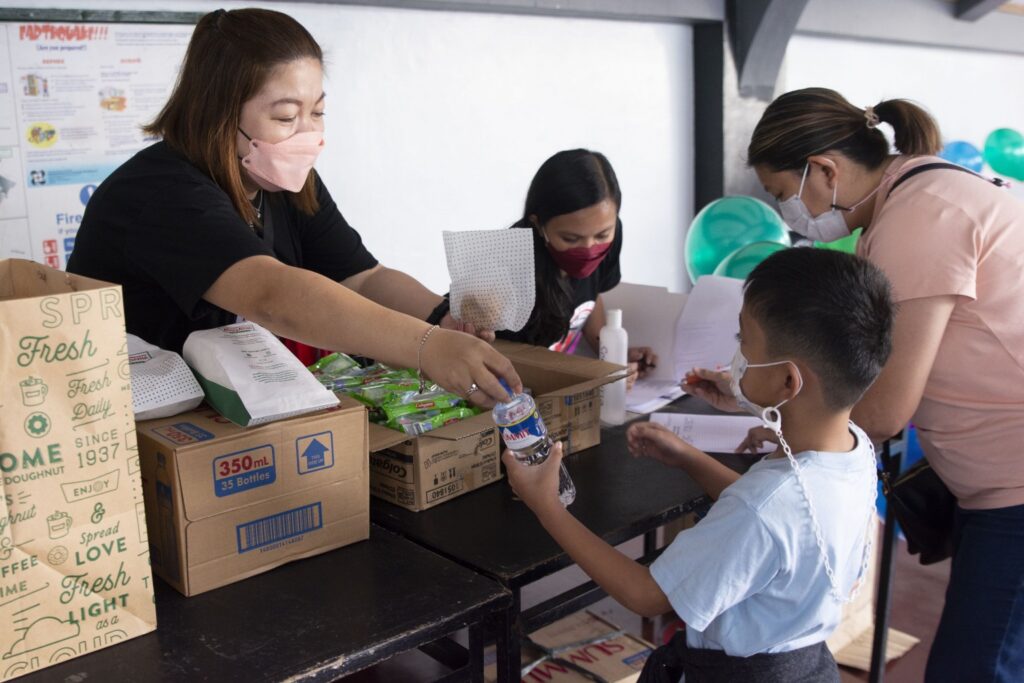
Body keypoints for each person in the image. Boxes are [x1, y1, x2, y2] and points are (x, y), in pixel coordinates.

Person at [686, 87, 1024, 682]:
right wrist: (752, 391)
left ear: (824, 170)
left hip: (1014, 486)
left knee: (975, 667)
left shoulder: (921, 218)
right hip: (994, 480)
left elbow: (883, 408)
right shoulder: (918, 195)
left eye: (782, 194)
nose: (789, 212)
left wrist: (773, 408)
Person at [66, 8, 519, 406]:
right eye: (285, 116)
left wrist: (442, 319)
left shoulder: (281, 181)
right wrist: (426, 347)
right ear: (219, 114)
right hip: (135, 419)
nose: (306, 133)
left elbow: (363, 276)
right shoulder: (160, 193)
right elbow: (271, 295)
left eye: (317, 112)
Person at [506, 248, 893, 681]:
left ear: (788, 380)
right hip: (807, 667)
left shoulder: (764, 508)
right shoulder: (854, 451)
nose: (737, 355)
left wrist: (547, 507)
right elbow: (777, 527)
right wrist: (690, 458)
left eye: (743, 340)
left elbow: (647, 594)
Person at [496, 149, 656, 387]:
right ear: (538, 224)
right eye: (571, 239)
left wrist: (610, 353)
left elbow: (591, 297)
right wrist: (589, 372)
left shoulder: (612, 237)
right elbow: (485, 349)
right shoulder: (507, 266)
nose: (589, 248)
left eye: (602, 234)